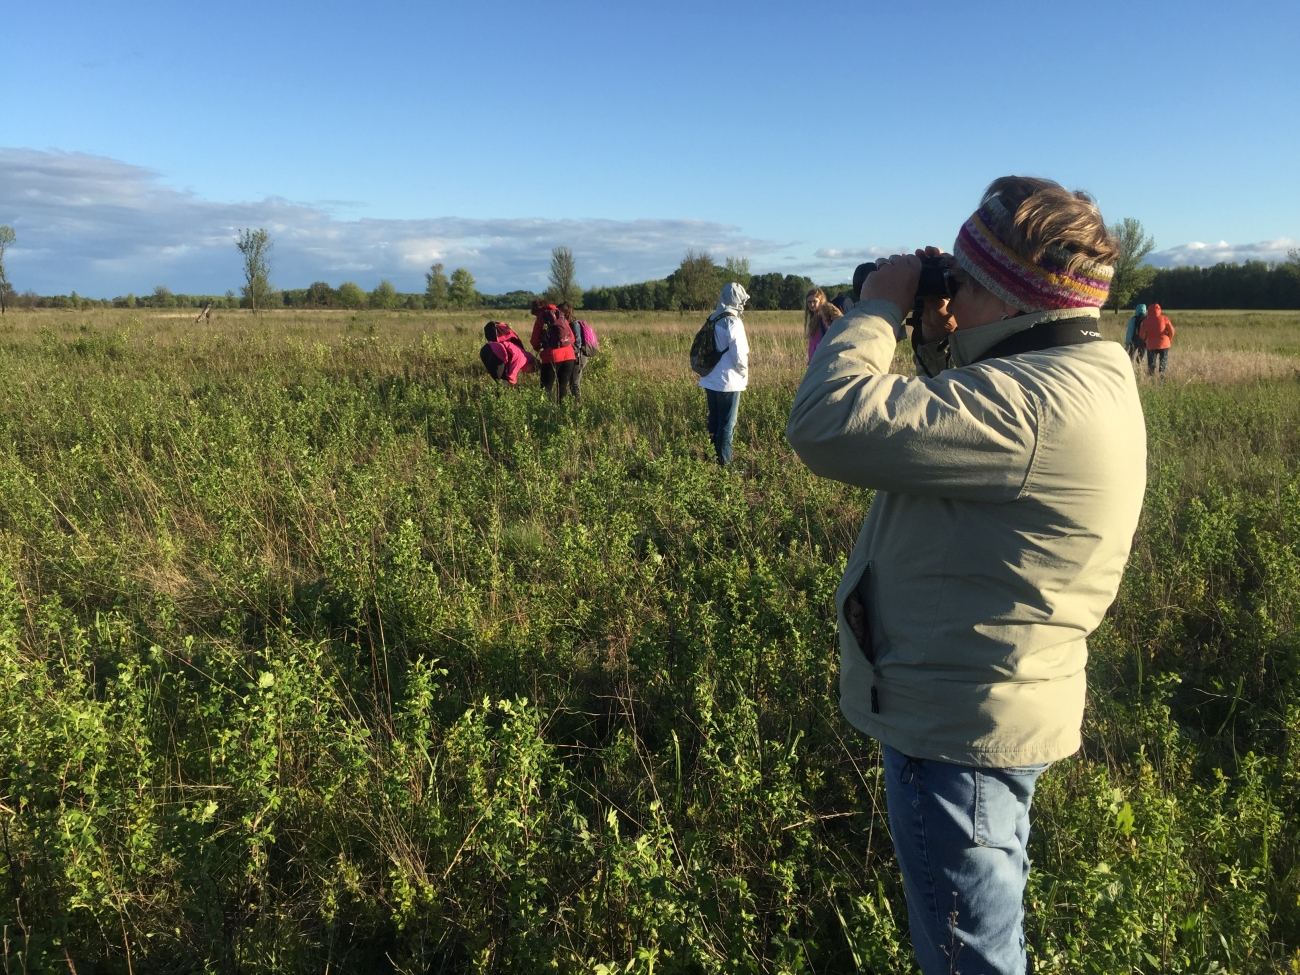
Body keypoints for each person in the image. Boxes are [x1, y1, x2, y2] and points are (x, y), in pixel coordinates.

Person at [786, 176, 1147, 975]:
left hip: (958, 735)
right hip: (990, 703)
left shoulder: (1030, 407)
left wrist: (877, 309)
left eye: (963, 278)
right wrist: (939, 344)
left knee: (967, 958)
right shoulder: (1083, 372)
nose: (948, 289)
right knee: (982, 941)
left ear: (1012, 297)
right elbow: (961, 432)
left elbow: (824, 421)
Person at [699, 282, 750, 466]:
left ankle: (710, 459)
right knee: (727, 424)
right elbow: (739, 355)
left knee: (714, 420)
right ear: (736, 301)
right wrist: (744, 373)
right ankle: (724, 465)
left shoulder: (713, 318)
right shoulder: (733, 322)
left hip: (710, 378)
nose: (744, 304)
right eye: (742, 300)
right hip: (729, 381)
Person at [529, 297, 577, 400]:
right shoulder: (559, 314)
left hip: (552, 357)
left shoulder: (541, 317)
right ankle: (562, 409)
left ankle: (546, 409)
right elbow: (572, 338)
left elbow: (535, 341)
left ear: (535, 310)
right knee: (562, 387)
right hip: (569, 356)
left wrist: (539, 347)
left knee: (546, 389)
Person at [804, 286, 844, 362]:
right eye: (809, 302)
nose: (812, 304)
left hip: (822, 359)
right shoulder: (814, 317)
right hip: (815, 359)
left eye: (815, 301)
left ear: (821, 301)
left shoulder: (824, 317)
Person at [558, 301, 588, 399]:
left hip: (578, 357)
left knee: (574, 383)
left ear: (564, 312)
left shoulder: (574, 324)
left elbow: (578, 344)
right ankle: (575, 402)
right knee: (571, 382)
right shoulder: (566, 324)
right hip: (574, 357)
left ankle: (578, 403)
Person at [1139, 302, 1174, 376]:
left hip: (1151, 345)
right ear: (1159, 310)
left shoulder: (1146, 321)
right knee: (1163, 361)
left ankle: (1151, 376)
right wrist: (1169, 338)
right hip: (1164, 344)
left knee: (1151, 363)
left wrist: (1145, 339)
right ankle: (1162, 374)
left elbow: (1142, 335)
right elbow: (1171, 331)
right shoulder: (1164, 318)